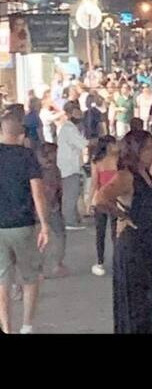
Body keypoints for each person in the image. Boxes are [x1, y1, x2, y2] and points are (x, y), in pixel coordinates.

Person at [95, 130, 152, 334]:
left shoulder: (148, 174)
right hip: (138, 245)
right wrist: (122, 215)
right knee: (140, 304)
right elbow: (100, 198)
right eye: (148, 148)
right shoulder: (126, 176)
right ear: (136, 150)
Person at [0, 110, 49, 334]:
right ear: (21, 135)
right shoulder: (27, 156)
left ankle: (6, 327)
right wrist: (45, 224)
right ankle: (27, 325)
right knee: (30, 277)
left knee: (3, 280)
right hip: (22, 225)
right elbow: (37, 192)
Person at [37, 143, 69, 279]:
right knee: (59, 235)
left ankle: (39, 269)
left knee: (39, 239)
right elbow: (59, 190)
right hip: (52, 207)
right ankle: (57, 264)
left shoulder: (36, 169)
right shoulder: (54, 169)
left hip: (38, 208)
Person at [88, 136, 118, 277]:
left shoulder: (96, 162)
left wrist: (90, 201)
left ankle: (100, 262)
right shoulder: (118, 160)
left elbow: (94, 183)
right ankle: (117, 260)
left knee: (100, 232)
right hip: (115, 199)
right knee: (115, 232)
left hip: (101, 199)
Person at [55, 105, 88, 230]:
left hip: (70, 165)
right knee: (71, 194)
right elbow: (83, 144)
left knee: (73, 192)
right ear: (69, 114)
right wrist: (95, 142)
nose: (79, 115)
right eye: (76, 113)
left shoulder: (70, 128)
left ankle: (73, 218)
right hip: (69, 167)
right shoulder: (69, 128)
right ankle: (70, 221)